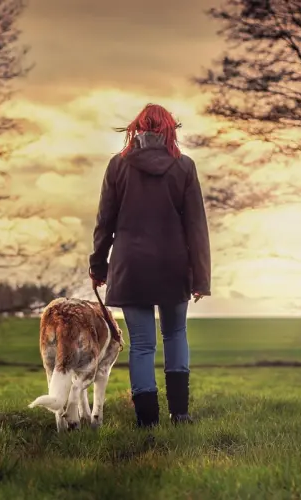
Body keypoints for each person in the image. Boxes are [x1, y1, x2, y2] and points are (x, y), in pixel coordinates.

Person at [88, 103, 211, 428]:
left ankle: (147, 422)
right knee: (175, 335)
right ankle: (180, 414)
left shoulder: (118, 165)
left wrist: (98, 267)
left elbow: (104, 223)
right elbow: (196, 226)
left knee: (142, 344)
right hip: (174, 265)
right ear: (170, 130)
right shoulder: (184, 166)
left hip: (131, 267)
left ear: (136, 129)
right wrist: (201, 278)